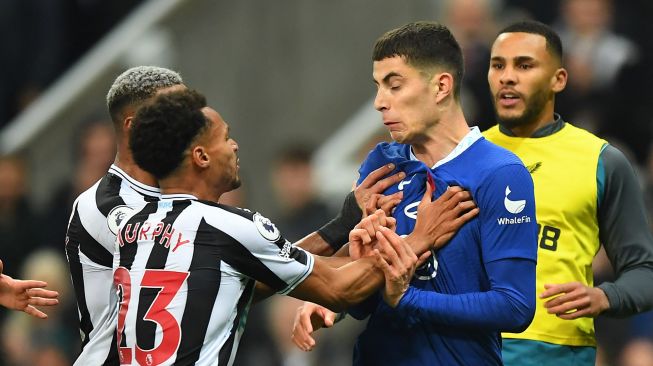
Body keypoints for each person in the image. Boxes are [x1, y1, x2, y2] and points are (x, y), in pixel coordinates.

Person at [119, 88, 443, 365]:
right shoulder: (228, 226)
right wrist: (418, 238)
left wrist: (341, 226)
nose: (235, 146)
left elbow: (247, 282)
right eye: (226, 137)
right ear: (201, 157)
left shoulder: (132, 226)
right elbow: (339, 289)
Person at [292, 21, 538, 365]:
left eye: (394, 86)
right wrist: (339, 300)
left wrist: (407, 298)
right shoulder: (381, 165)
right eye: (378, 87)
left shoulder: (500, 173)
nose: (379, 102)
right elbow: (366, 304)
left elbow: (515, 306)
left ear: (440, 86)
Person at [483, 20, 653, 365]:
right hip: (472, 348)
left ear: (558, 79)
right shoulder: (463, 155)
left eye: (524, 65)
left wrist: (605, 296)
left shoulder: (603, 161)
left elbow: (643, 272)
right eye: (498, 65)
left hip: (558, 354)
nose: (507, 76)